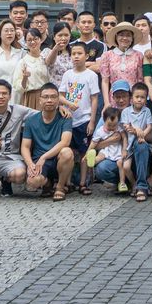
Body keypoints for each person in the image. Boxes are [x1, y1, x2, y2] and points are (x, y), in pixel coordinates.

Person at [57, 41, 102, 195]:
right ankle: (67, 182)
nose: (76, 57)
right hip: (69, 119)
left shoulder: (91, 75)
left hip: (84, 119)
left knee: (84, 152)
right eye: (73, 54)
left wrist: (92, 121)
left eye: (79, 53)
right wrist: (68, 104)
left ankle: (83, 183)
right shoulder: (67, 74)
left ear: (86, 55)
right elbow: (60, 96)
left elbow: (94, 99)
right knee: (69, 151)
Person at [18, 83, 70, 201]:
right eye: (46, 97)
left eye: (53, 97)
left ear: (58, 100)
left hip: (58, 159)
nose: (49, 100)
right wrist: (30, 164)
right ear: (40, 100)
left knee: (67, 152)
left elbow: (65, 142)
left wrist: (44, 157)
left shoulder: (65, 117)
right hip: (39, 161)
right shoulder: (31, 120)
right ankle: (48, 184)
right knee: (32, 181)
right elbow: (25, 147)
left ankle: (60, 187)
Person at [90, 106, 129, 193]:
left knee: (120, 163)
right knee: (101, 155)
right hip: (107, 149)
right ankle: (92, 161)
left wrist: (124, 149)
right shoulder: (100, 130)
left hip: (117, 150)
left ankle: (122, 183)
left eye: (114, 125)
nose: (111, 127)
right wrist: (88, 152)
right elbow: (94, 142)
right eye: (109, 125)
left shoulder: (119, 128)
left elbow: (124, 138)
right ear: (104, 121)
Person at [14, 26, 50, 107]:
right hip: (30, 97)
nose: (33, 42)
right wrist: (25, 78)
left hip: (47, 96)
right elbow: (18, 88)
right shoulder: (23, 62)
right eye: (29, 40)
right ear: (25, 42)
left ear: (41, 40)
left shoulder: (46, 58)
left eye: (35, 39)